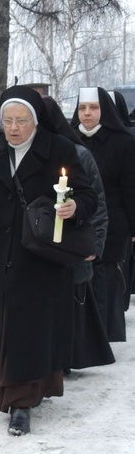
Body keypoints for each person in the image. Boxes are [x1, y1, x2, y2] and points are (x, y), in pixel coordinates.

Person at [0, 86, 97, 436]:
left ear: (35, 122)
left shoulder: (59, 150)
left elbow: (88, 195)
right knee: (5, 326)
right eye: (7, 121)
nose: (13, 128)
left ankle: (18, 404)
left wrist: (75, 206)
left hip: (40, 258)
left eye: (21, 121)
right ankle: (28, 390)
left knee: (30, 328)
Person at [42, 96, 114, 371]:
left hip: (73, 239)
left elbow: (97, 203)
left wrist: (94, 244)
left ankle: (69, 356)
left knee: (72, 300)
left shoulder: (78, 154)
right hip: (41, 241)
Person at [71, 87, 135, 342]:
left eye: (94, 108)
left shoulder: (123, 142)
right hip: (77, 222)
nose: (87, 114)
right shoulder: (69, 140)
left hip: (114, 223)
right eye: (83, 108)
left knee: (105, 278)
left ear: (104, 110)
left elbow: (130, 188)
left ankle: (106, 336)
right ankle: (83, 337)